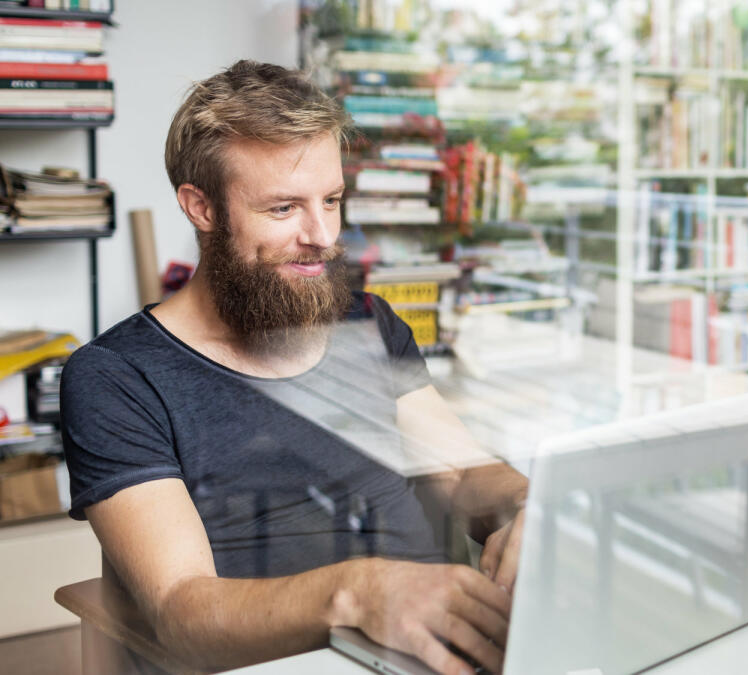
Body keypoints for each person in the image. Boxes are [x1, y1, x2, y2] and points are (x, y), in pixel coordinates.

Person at [60, 60, 525, 675]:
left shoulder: (369, 323)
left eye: (331, 200)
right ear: (201, 208)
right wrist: (360, 593)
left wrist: (528, 504)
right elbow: (182, 609)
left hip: (437, 649)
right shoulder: (116, 377)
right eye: (283, 209)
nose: (323, 235)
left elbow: (463, 477)